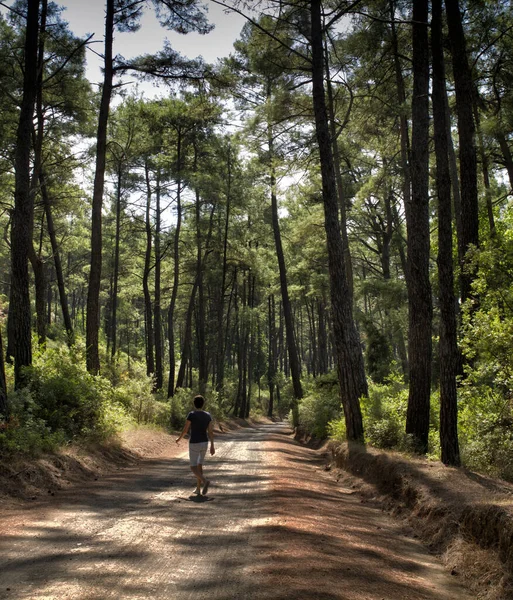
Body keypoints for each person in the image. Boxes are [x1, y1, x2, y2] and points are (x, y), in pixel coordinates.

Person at [175, 394, 215, 495]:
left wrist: (179, 439)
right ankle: (198, 489)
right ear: (203, 404)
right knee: (199, 466)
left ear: (194, 404)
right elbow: (210, 432)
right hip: (204, 443)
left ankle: (205, 481)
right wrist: (212, 446)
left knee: (193, 467)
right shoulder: (208, 415)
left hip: (194, 443)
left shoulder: (191, 414)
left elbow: (185, 430)